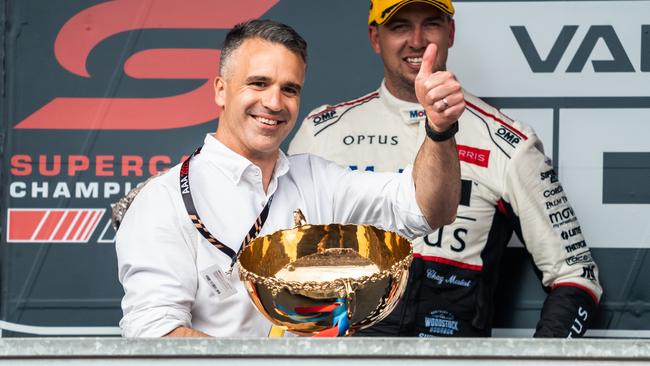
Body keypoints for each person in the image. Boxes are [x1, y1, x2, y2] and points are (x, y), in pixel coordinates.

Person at [115, 19, 463, 337]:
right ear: (221, 90)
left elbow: (428, 208)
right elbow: (154, 335)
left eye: (290, 89)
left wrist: (439, 129)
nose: (274, 102)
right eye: (258, 83)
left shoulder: (316, 179)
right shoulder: (165, 199)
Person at [288, 0, 602, 337]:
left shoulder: (506, 142)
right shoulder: (323, 133)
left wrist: (542, 362)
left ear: (450, 32)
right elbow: (282, 262)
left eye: (431, 24)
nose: (417, 40)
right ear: (375, 37)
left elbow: (577, 274)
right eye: (400, 26)